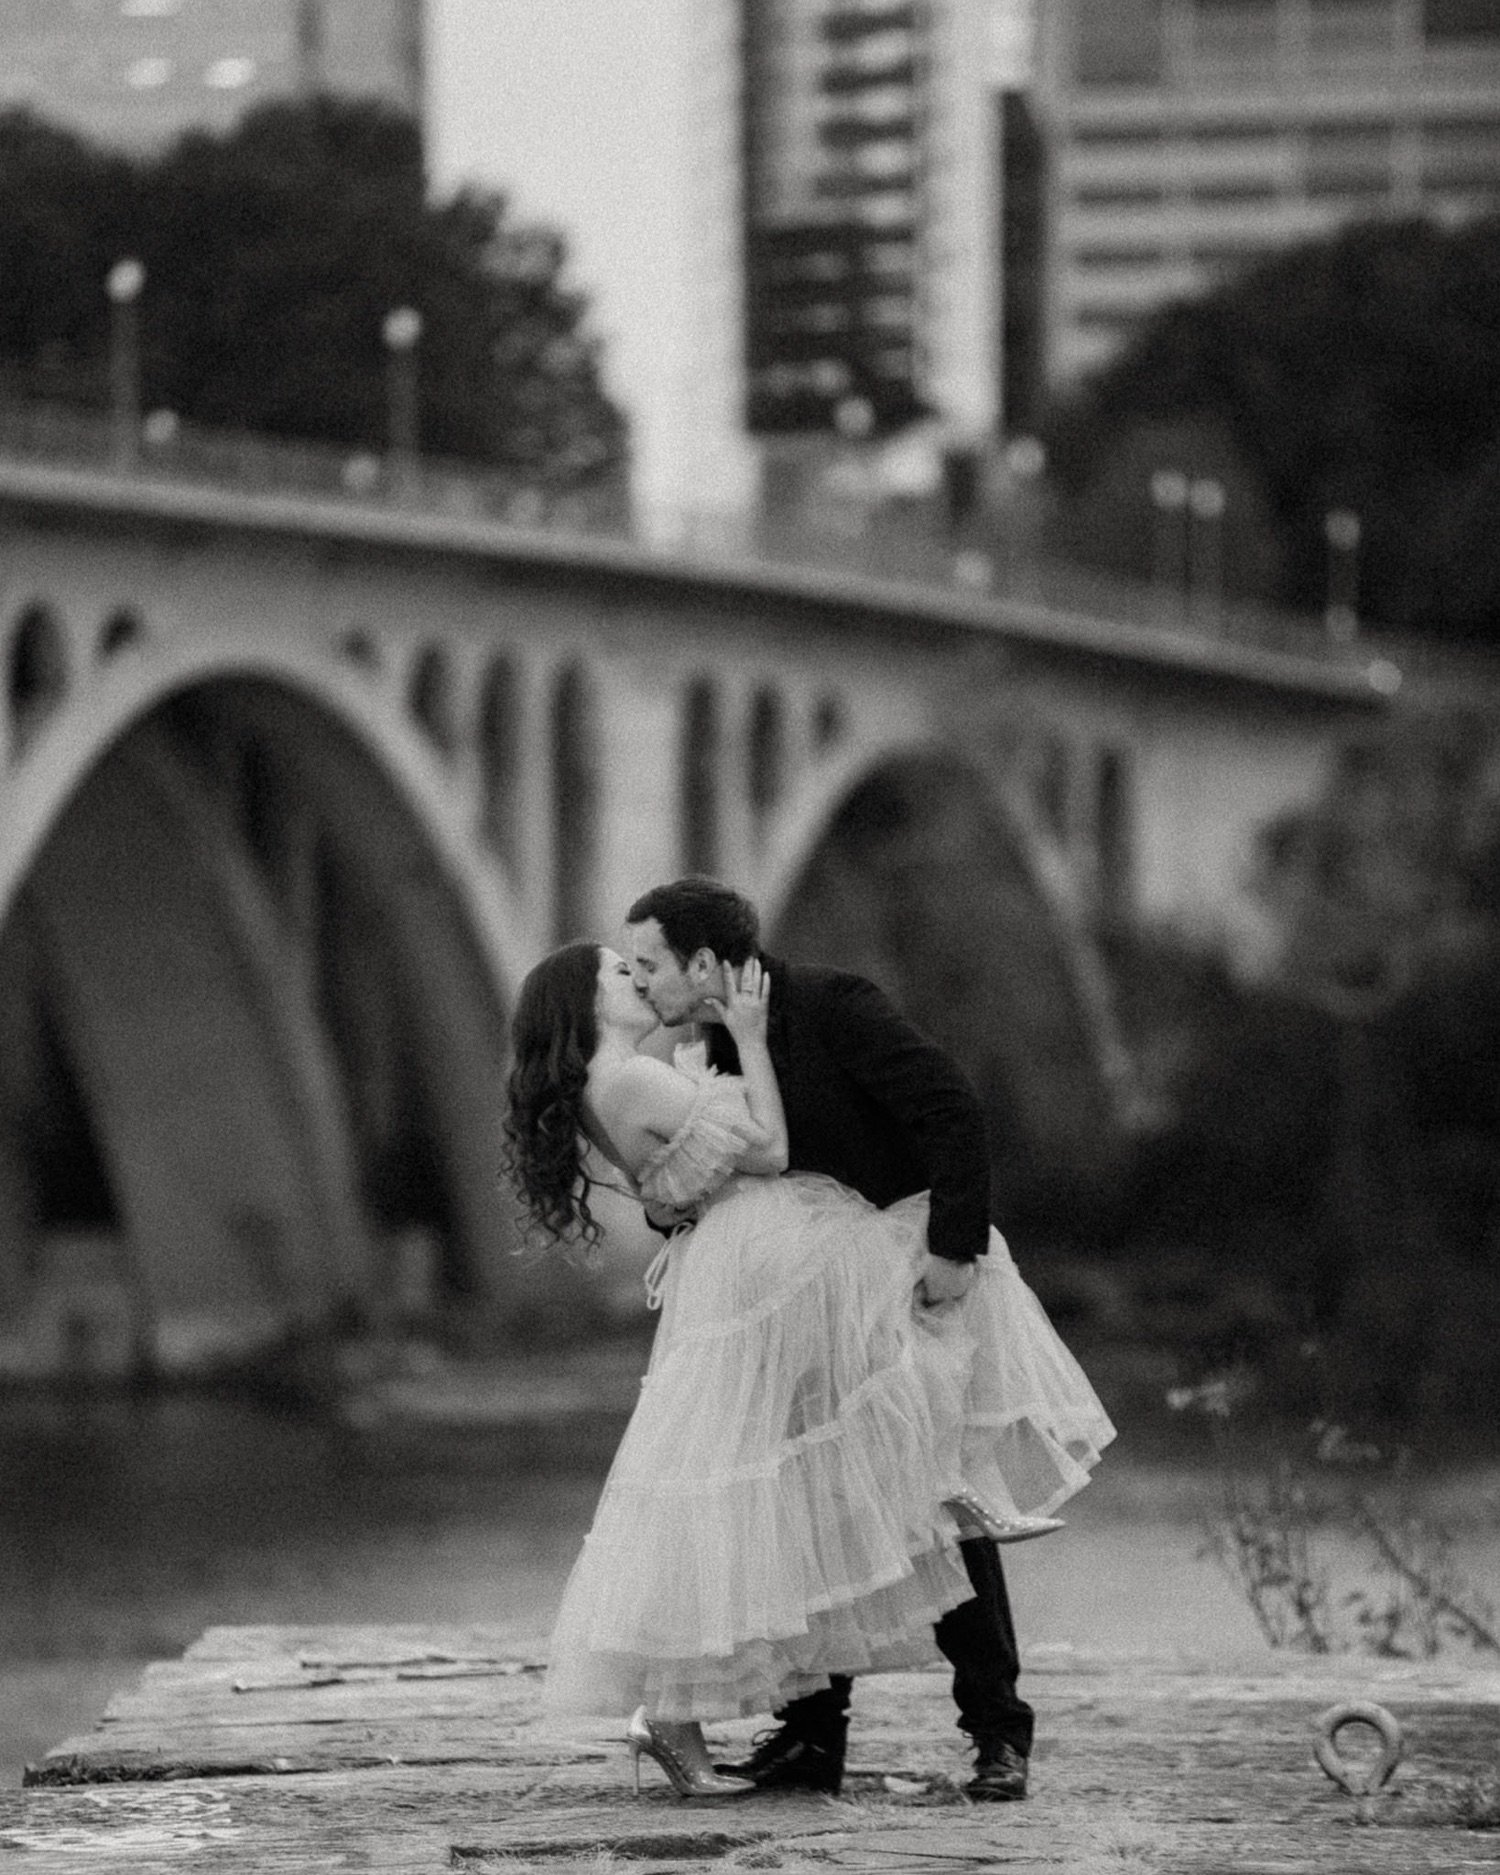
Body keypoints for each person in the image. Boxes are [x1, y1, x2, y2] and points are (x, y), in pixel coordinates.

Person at [503, 916, 1113, 1802]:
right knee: (822, 1504)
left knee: (907, 1490)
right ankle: (812, 1737)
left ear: (703, 961)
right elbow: (747, 1158)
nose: (639, 979)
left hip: (801, 1280)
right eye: (621, 971)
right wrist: (739, 1060)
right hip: (782, 1289)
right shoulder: (667, 1060)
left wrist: (954, 1240)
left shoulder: (830, 1005)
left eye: (648, 965)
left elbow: (948, 1108)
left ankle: (992, 1730)